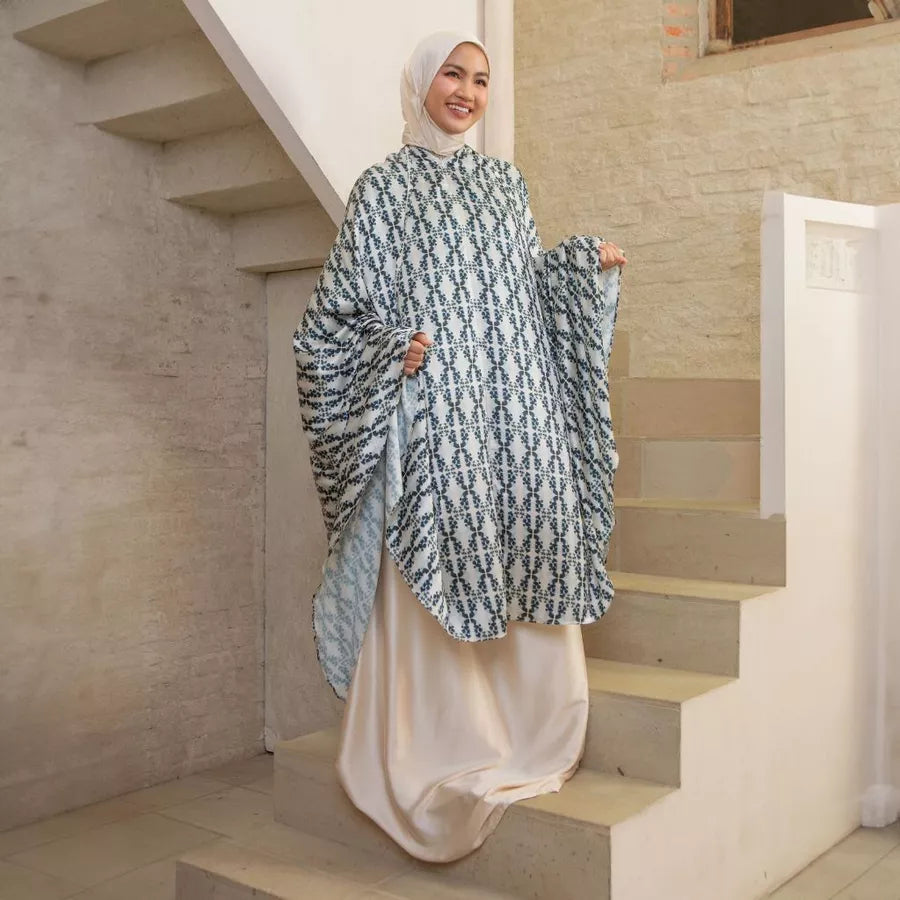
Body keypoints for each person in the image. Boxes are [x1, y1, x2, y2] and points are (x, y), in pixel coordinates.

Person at [292, 29, 626, 863]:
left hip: (513, 409)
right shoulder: (380, 191)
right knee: (435, 552)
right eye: (453, 73)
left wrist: (582, 267)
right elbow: (334, 319)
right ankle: (439, 743)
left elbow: (526, 288)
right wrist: (387, 348)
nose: (468, 92)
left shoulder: (504, 185)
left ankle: (532, 728)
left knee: (531, 540)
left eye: (480, 79)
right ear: (421, 82)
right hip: (434, 417)